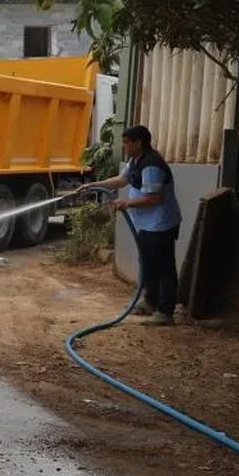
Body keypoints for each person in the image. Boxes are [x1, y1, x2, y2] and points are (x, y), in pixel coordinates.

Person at [79, 125, 183, 326]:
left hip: (160, 225)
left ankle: (165, 312)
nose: (124, 146)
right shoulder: (136, 161)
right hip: (147, 225)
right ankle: (150, 302)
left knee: (164, 267)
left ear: (139, 143)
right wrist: (92, 185)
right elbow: (120, 180)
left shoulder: (151, 164)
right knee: (149, 264)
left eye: (127, 142)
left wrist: (125, 203)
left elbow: (154, 198)